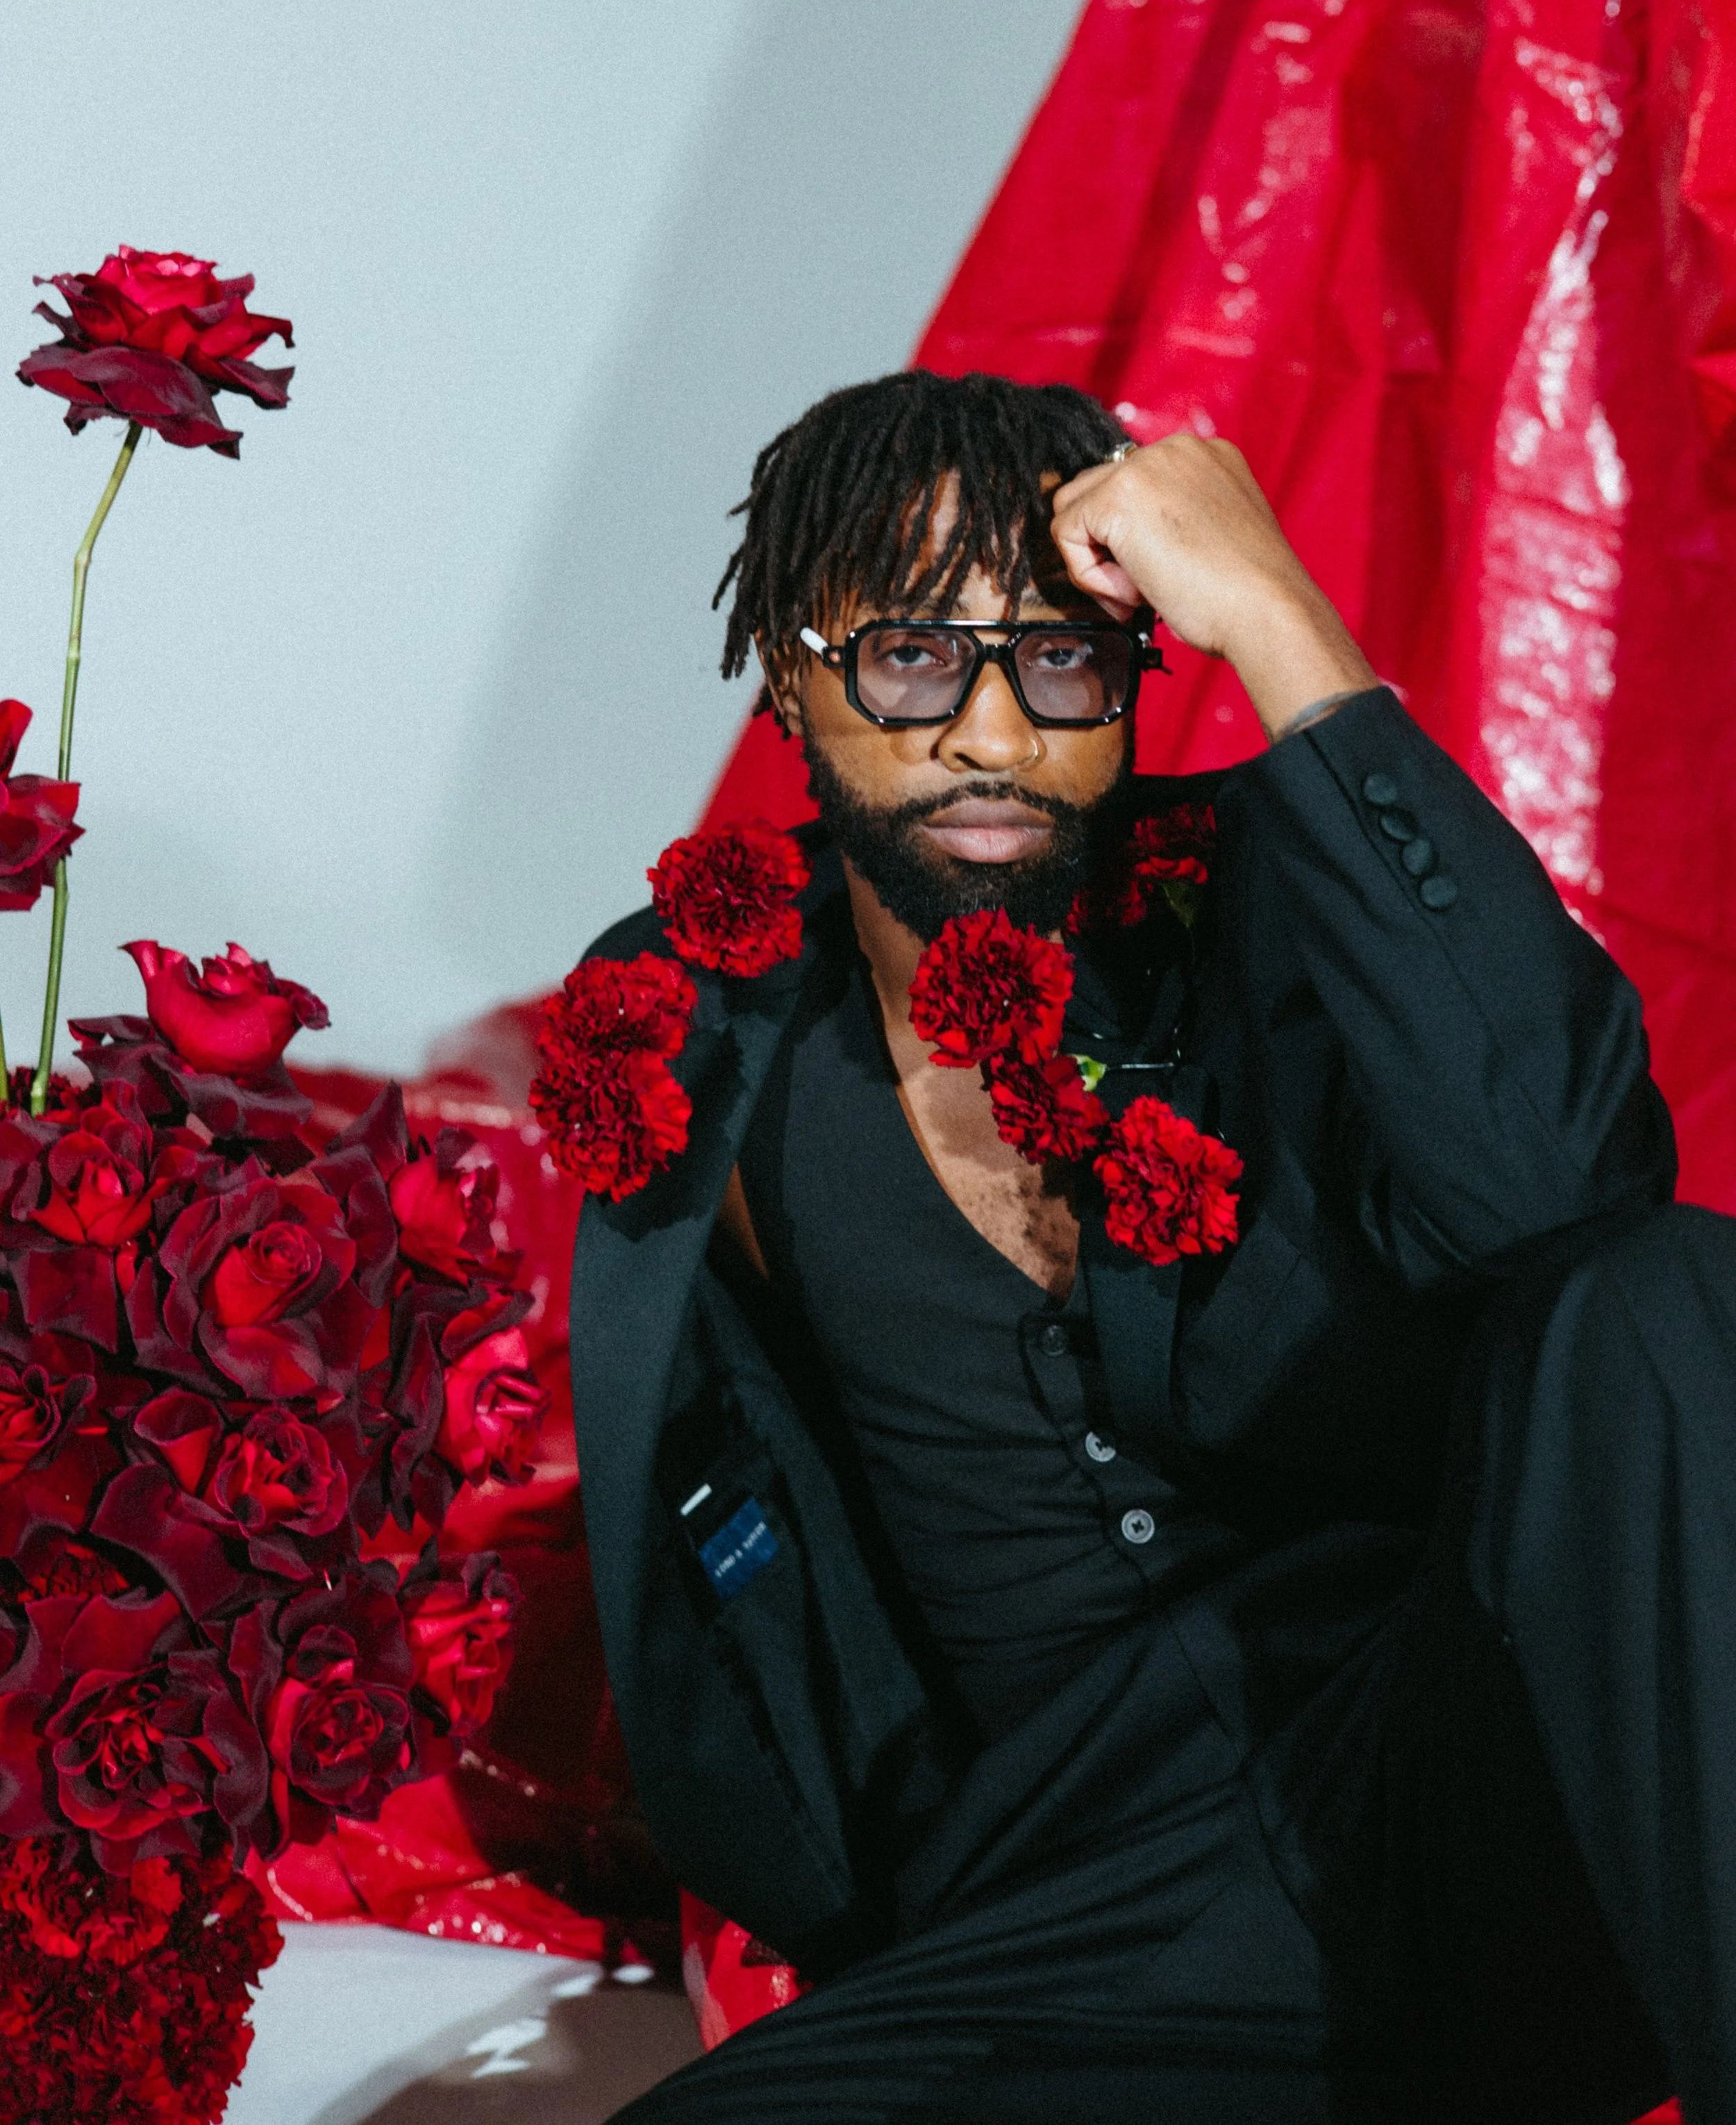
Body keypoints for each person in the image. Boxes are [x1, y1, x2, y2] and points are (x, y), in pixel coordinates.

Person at [569, 369, 1733, 2124]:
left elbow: (1568, 1187)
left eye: (1057, 660)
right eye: (906, 655)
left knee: (1653, 1286)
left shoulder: (1272, 909)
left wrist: (1278, 619)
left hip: (1477, 1788)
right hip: (1098, 1914)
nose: (988, 732)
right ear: (793, 676)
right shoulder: (699, 1026)